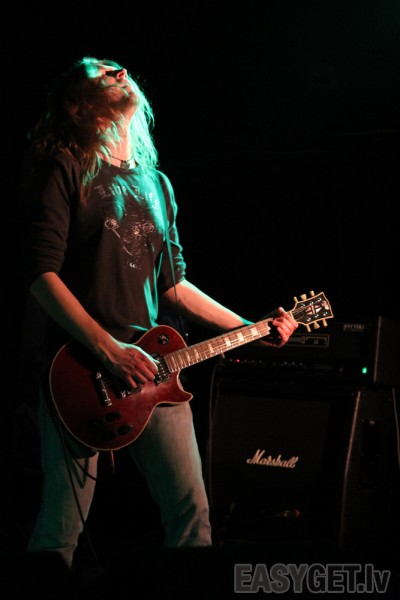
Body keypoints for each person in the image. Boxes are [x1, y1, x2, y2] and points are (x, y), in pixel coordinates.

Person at [22, 56, 299, 578]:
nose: (117, 71)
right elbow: (41, 275)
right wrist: (109, 350)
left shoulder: (157, 183)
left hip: (156, 371)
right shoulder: (67, 165)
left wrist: (248, 329)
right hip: (80, 370)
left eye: (117, 66)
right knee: (60, 528)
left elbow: (174, 285)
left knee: (192, 514)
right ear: (78, 103)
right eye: (99, 70)